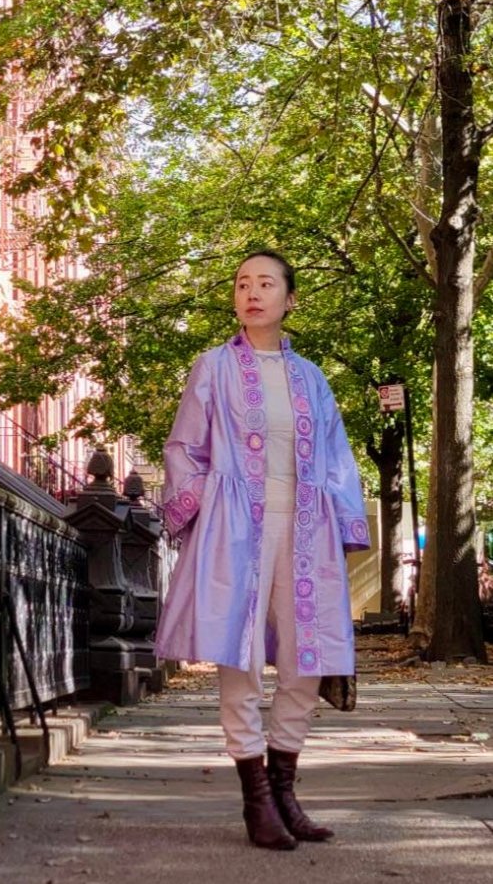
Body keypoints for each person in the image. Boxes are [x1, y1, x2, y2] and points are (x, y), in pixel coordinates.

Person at [154, 250, 370, 851]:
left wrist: (345, 526)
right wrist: (201, 508)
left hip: (306, 530)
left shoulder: (313, 379)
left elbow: (338, 458)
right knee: (240, 657)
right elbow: (183, 448)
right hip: (236, 528)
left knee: (307, 661)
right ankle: (256, 801)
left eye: (266, 283)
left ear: (289, 299)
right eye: (242, 283)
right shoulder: (213, 367)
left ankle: (285, 791)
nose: (252, 292)